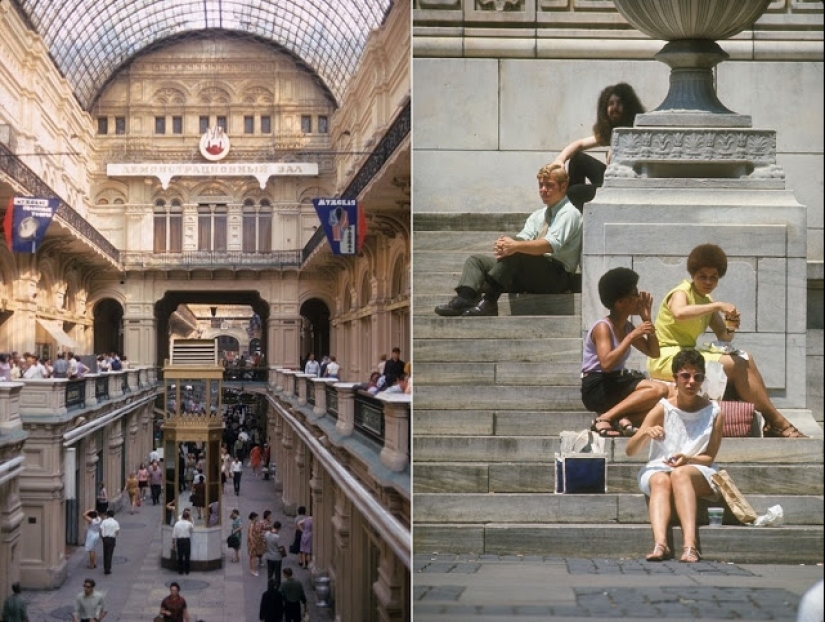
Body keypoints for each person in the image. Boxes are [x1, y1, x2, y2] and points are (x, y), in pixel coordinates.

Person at [647, 243, 806, 438]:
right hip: (665, 356)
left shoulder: (707, 301)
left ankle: (771, 419)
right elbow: (679, 313)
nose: (708, 281)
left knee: (746, 357)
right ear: (693, 274)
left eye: (713, 277)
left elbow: (725, 336)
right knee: (733, 363)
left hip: (687, 354)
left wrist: (731, 323)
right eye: (702, 276)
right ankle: (776, 420)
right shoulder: (681, 292)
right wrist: (718, 306)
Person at [434, 163, 583, 317]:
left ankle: (490, 301)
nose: (543, 190)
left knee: (517, 248)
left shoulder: (569, 213)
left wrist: (514, 246)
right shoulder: (538, 215)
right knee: (476, 261)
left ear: (563, 187)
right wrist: (504, 245)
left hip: (556, 276)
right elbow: (523, 238)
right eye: (541, 185)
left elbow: (550, 245)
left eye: (549, 185)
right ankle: (465, 298)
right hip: (531, 272)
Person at [627, 349, 723, 563]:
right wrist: (645, 432)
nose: (691, 382)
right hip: (659, 467)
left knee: (680, 474)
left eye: (697, 377)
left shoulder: (714, 411)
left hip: (697, 469)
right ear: (675, 379)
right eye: (685, 376)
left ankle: (690, 546)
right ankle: (660, 544)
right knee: (661, 479)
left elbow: (709, 457)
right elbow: (630, 450)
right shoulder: (663, 408)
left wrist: (688, 459)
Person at [582, 267, 669, 437]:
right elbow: (606, 364)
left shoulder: (628, 327)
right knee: (658, 390)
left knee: (664, 397)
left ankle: (619, 419)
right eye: (634, 295)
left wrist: (647, 320)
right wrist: (630, 337)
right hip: (597, 385)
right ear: (620, 302)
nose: (639, 299)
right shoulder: (603, 327)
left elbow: (654, 352)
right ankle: (605, 418)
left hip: (614, 381)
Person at [553, 82, 645, 210]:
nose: (615, 107)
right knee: (578, 159)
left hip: (623, 187)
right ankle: (574, 214)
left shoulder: (636, 131)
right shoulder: (611, 132)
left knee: (574, 192)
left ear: (628, 106)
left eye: (619, 103)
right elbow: (580, 144)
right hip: (610, 178)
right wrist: (560, 160)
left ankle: (571, 212)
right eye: (611, 104)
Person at [172, 509, 194, 575]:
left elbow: (174, 534)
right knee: (187, 556)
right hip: (186, 540)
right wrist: (191, 519)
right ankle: (187, 570)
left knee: (180, 556)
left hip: (180, 541)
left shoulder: (177, 524)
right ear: (187, 517)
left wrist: (173, 543)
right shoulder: (189, 524)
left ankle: (180, 570)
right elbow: (192, 529)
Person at [263, 521, 285, 586]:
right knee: (277, 574)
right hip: (277, 558)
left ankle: (269, 586)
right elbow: (281, 548)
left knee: (270, 573)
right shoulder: (277, 537)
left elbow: (264, 543)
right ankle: (277, 587)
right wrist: (283, 555)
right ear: (279, 528)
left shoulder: (266, 534)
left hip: (269, 556)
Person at [99, 510, 119, 575]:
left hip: (105, 539)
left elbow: (101, 529)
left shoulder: (104, 521)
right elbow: (117, 532)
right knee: (110, 554)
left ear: (107, 515)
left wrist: (102, 537)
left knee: (105, 553)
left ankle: (105, 567)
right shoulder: (115, 522)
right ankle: (108, 568)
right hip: (112, 539)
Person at [247, 512, 265, 577]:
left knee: (252, 556)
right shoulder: (252, 525)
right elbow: (250, 535)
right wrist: (253, 543)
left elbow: (256, 532)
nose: (258, 518)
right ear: (254, 517)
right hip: (253, 543)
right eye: (257, 517)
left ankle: (251, 569)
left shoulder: (254, 524)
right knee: (253, 557)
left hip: (253, 542)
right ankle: (253, 570)